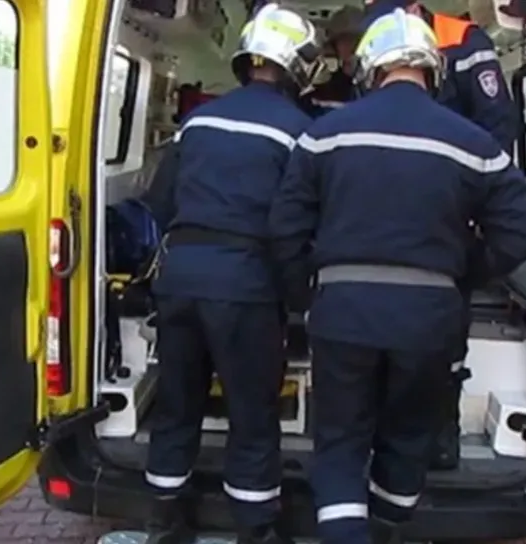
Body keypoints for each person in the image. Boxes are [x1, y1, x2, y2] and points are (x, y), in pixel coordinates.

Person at [267, 9, 526, 544]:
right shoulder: (474, 143)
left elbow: (285, 228)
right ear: (434, 70)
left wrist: (306, 293)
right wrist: (460, 271)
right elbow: (520, 228)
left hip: (343, 313)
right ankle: (388, 528)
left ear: (370, 68)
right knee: (408, 436)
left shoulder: (323, 134)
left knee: (341, 442)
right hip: (430, 319)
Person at [142, 5, 322, 543]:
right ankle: (255, 527)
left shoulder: (198, 121)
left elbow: (158, 203)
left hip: (179, 280)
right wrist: (298, 294)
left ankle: (165, 521)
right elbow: (297, 223)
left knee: (177, 403)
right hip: (246, 285)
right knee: (252, 412)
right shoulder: (300, 132)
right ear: (298, 66)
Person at [363, 0, 526, 470]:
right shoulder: (377, 36)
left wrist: (474, 200)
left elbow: (498, 125)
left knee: (446, 331)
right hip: (390, 205)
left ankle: (440, 434)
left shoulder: (464, 40)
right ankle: (382, 438)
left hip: (448, 202)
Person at [302, 6, 364, 117]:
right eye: (346, 40)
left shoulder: (379, 84)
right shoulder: (324, 91)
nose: (354, 46)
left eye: (358, 40)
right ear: (334, 45)